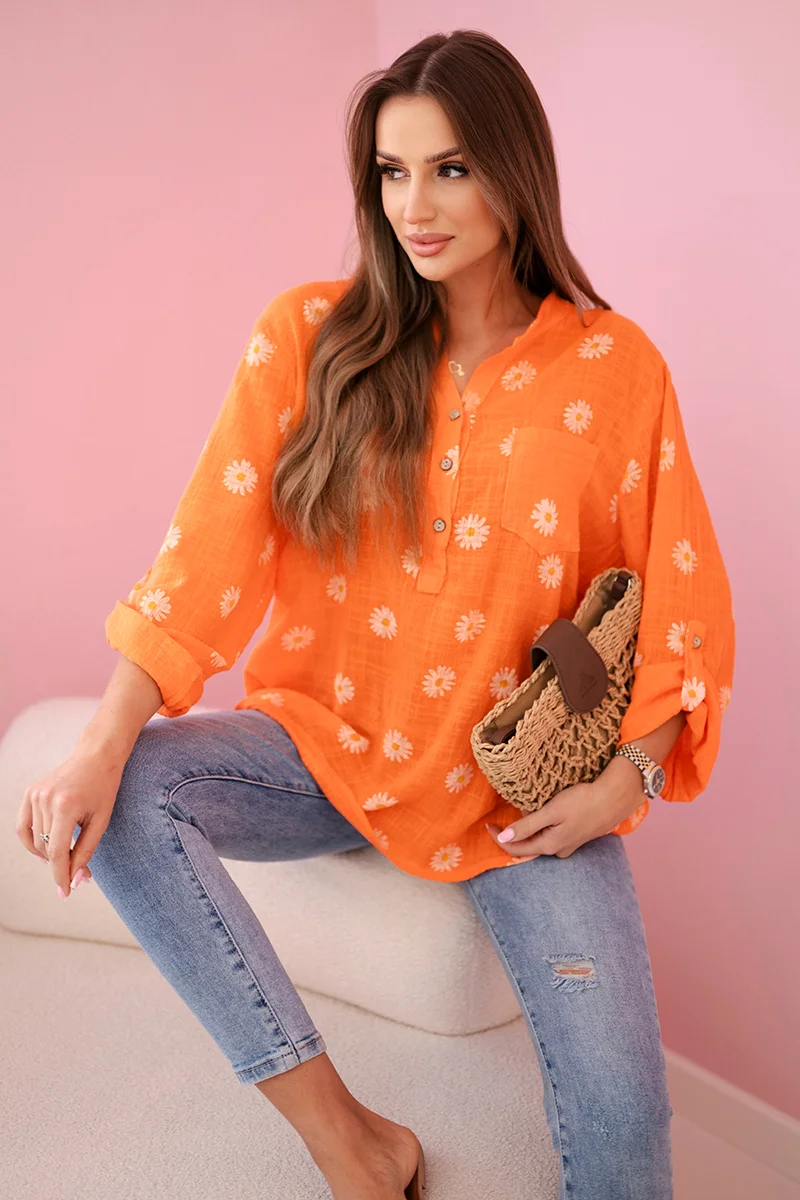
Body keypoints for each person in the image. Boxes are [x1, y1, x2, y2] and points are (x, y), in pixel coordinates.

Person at [16, 28, 735, 1200]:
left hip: (511, 794)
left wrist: (631, 776)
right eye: (392, 172)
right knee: (132, 792)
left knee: (623, 1122)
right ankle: (346, 1139)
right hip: (320, 747)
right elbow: (206, 554)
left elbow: (679, 589)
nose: (414, 205)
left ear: (513, 168)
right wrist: (102, 740)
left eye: (449, 168)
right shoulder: (312, 339)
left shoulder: (613, 370)